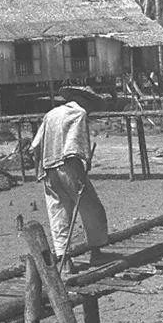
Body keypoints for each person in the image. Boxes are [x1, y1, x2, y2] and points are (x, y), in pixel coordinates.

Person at [30, 85, 108, 271]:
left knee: (58, 212)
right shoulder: (79, 113)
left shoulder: (51, 114)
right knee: (91, 207)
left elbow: (35, 145)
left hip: (48, 167)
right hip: (69, 166)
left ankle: (65, 261)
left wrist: (39, 167)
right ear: (85, 101)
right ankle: (96, 252)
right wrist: (85, 158)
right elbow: (76, 142)